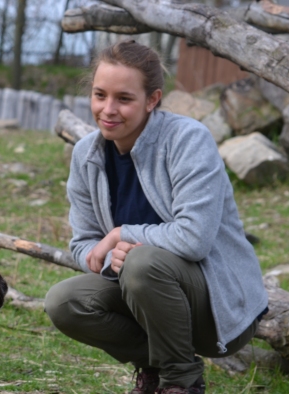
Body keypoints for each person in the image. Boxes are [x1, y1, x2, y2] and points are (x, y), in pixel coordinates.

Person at [44, 40, 269, 394]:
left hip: (216, 307)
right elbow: (83, 243)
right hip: (145, 295)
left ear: (152, 100)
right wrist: (110, 262)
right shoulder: (87, 154)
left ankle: (181, 383)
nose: (108, 109)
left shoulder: (187, 140)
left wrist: (122, 235)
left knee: (142, 261)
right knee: (64, 302)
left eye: (124, 98)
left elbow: (194, 239)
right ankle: (157, 369)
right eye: (100, 95)